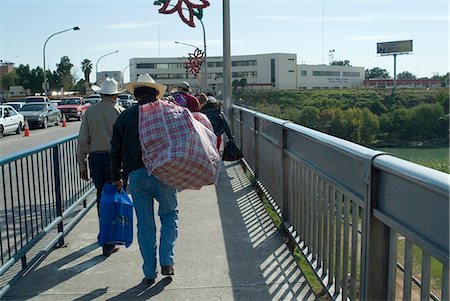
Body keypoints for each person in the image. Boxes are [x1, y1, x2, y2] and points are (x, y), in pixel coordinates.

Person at [110, 74, 177, 285]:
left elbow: (115, 149)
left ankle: (149, 272)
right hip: (163, 172)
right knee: (169, 215)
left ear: (136, 95)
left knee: (146, 224)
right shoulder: (168, 113)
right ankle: (167, 261)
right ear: (156, 94)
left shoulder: (125, 116)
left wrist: (117, 177)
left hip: (137, 175)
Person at [76, 77, 125, 257]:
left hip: (95, 159)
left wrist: (82, 165)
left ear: (101, 94)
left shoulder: (90, 112)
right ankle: (110, 241)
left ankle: (104, 239)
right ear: (116, 95)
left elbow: (82, 140)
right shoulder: (120, 111)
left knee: (101, 198)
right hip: (115, 160)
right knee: (115, 200)